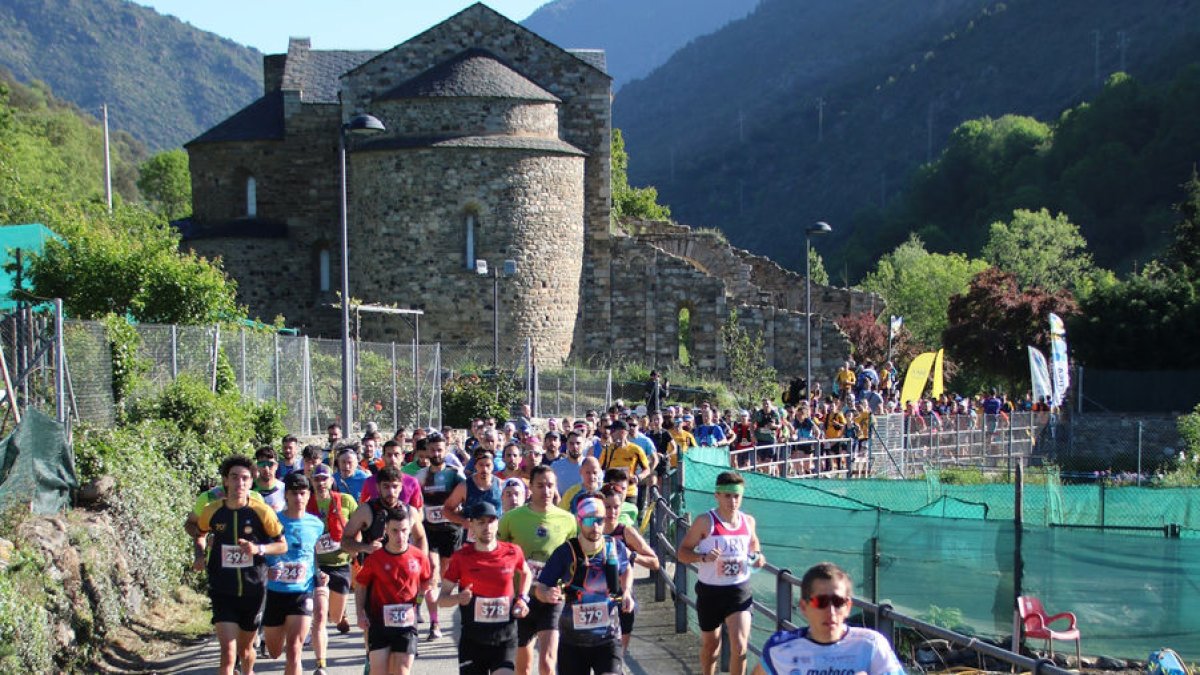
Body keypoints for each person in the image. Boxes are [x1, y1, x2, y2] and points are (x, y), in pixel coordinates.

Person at [195, 455, 287, 675]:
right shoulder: (212, 510)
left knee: (245, 651)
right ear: (226, 481)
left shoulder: (262, 511)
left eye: (245, 478)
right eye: (234, 477)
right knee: (228, 651)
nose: (240, 483)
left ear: (251, 481)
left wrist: (258, 549)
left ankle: (248, 671)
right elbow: (199, 533)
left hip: (253, 589)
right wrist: (199, 554)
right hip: (222, 589)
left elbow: (282, 546)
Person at [677, 471, 765, 675]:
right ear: (717, 495)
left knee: (740, 646)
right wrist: (702, 557)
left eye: (737, 496)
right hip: (710, 592)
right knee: (711, 645)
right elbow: (682, 553)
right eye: (728, 496)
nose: (733, 501)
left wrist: (758, 556)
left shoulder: (748, 521)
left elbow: (753, 545)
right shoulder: (705, 522)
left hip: (739, 590)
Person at [534, 494, 634, 675]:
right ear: (579, 521)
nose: (595, 526)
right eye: (589, 521)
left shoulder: (615, 547)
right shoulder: (565, 552)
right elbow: (541, 587)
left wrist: (626, 591)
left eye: (599, 520)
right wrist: (547, 594)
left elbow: (626, 569)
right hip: (572, 642)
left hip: (608, 638)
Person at [753, 562, 904, 675]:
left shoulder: (870, 645)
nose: (831, 612)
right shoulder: (780, 648)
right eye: (821, 602)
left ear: (848, 607)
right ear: (804, 607)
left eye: (838, 602)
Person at [499, 466, 578, 675]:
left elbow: (574, 561)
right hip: (521, 598)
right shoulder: (511, 518)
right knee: (522, 669)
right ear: (531, 487)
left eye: (550, 485)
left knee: (547, 664)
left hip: (552, 599)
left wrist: (562, 587)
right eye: (540, 486)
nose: (546, 491)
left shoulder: (568, 520)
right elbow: (497, 556)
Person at [440, 501, 532, 675]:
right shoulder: (461, 557)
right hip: (473, 641)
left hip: (505, 637)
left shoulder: (513, 551)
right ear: (471, 525)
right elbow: (442, 600)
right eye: (481, 522)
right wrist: (458, 598)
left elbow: (526, 573)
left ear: (497, 523)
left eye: (491, 521)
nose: (487, 527)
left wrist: (522, 598)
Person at [354, 508, 433, 675]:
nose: (400, 536)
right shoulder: (375, 559)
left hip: (406, 625)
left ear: (410, 530)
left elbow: (427, 582)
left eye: (404, 531)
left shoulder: (419, 557)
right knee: (379, 672)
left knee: (402, 672)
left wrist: (423, 595)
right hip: (379, 624)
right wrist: (360, 613)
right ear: (386, 530)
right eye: (395, 531)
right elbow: (361, 585)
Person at [261, 472, 326, 675]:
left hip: (302, 592)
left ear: (309, 495)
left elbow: (315, 555)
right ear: (286, 496)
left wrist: (320, 573)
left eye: (302, 493)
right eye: (294, 493)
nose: (298, 498)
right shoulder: (272, 522)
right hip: (274, 592)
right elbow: (260, 552)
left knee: (294, 649)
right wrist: (266, 571)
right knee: (274, 652)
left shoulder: (317, 524)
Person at [414, 432, 465, 640]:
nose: (436, 453)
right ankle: (434, 623)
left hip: (452, 531)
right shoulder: (422, 476)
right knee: (432, 573)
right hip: (430, 532)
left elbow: (466, 496)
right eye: (432, 450)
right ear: (426, 451)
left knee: (447, 576)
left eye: (440, 450)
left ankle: (460, 616)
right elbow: (415, 502)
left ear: (446, 450)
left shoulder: (455, 474)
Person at [599, 484, 659, 656]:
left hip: (622, 596)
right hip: (595, 596)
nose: (612, 512)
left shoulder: (626, 532)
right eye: (607, 507)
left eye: (616, 507)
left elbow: (655, 562)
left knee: (618, 655)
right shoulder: (590, 531)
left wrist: (631, 556)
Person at [308, 463, 358, 654]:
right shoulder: (305, 502)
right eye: (317, 479)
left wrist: (356, 546)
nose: (321, 483)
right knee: (319, 614)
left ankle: (340, 613)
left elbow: (358, 525)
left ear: (331, 480)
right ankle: (320, 659)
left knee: (334, 617)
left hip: (340, 563)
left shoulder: (345, 500)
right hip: (316, 565)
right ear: (312, 481)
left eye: (324, 478)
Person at [597, 420, 650, 506]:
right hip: (611, 492)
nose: (610, 433)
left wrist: (638, 477)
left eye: (613, 430)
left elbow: (647, 469)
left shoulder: (636, 449)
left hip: (629, 492)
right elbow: (599, 468)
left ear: (623, 432)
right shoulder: (607, 449)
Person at [253, 446, 286, 511]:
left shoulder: (284, 489)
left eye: (270, 464)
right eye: (262, 464)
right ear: (257, 466)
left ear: (277, 466)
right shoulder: (249, 488)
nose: (266, 469)